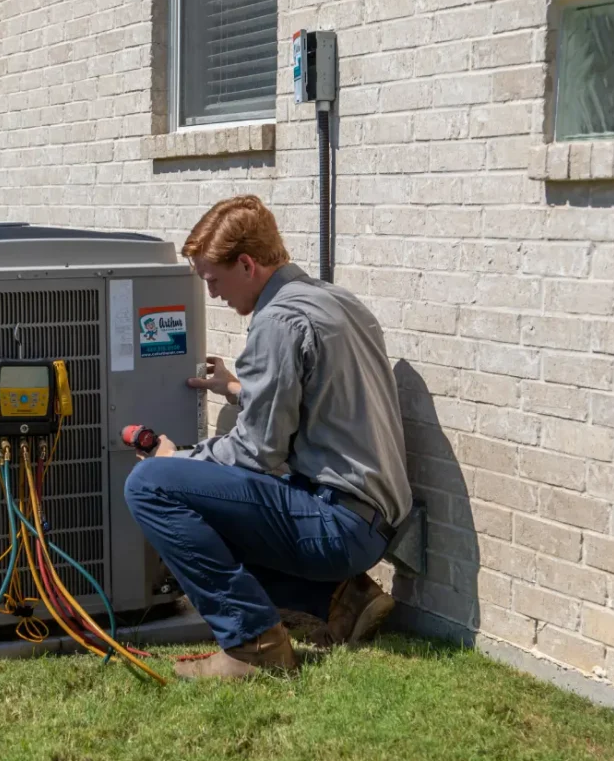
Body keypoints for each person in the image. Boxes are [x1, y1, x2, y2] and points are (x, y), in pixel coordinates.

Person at [124, 195, 413, 680]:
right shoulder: (335, 300)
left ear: (246, 264)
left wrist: (181, 457)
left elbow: (257, 453)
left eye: (213, 279)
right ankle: (344, 599)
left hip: (337, 525)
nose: (212, 294)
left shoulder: (277, 322)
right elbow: (314, 405)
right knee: (208, 495)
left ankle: (251, 645)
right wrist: (238, 389)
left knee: (151, 486)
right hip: (374, 522)